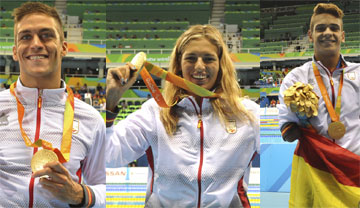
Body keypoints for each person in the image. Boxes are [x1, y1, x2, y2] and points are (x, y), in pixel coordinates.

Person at [106, 25, 259, 207]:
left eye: (209, 59)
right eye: (191, 58)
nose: (200, 66)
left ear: (221, 65)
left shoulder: (247, 115)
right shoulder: (155, 112)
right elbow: (109, 155)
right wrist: (110, 103)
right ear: (179, 64)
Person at [0, 2, 106, 207]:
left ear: (64, 47)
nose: (36, 43)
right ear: (15, 51)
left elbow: (115, 190)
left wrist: (80, 194)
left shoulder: (92, 120)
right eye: (26, 37)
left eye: (46, 35)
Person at [278, 3, 360, 207]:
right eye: (320, 28)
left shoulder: (359, 74)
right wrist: (299, 124)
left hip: (354, 170)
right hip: (317, 170)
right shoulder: (295, 78)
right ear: (310, 35)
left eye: (334, 28)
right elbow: (288, 130)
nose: (327, 33)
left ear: (342, 35)